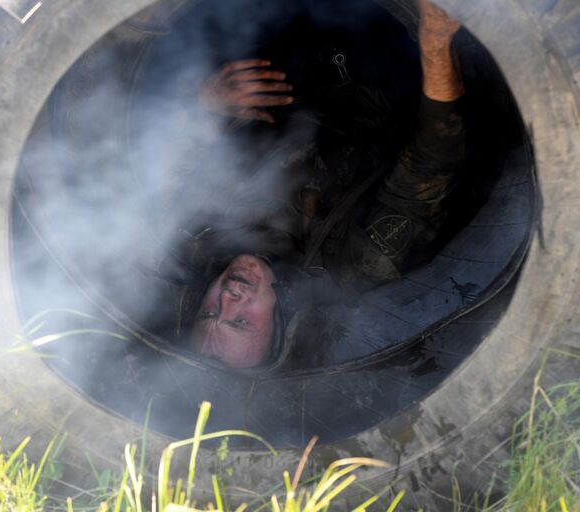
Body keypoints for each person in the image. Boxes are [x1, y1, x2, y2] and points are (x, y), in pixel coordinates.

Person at [164, 0, 468, 369]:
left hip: (271, 54)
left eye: (209, 312)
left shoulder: (197, 237)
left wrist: (206, 101)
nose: (229, 295)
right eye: (242, 320)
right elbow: (432, 161)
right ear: (280, 324)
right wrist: (435, 45)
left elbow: (160, 156)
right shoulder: (352, 268)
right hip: (377, 73)